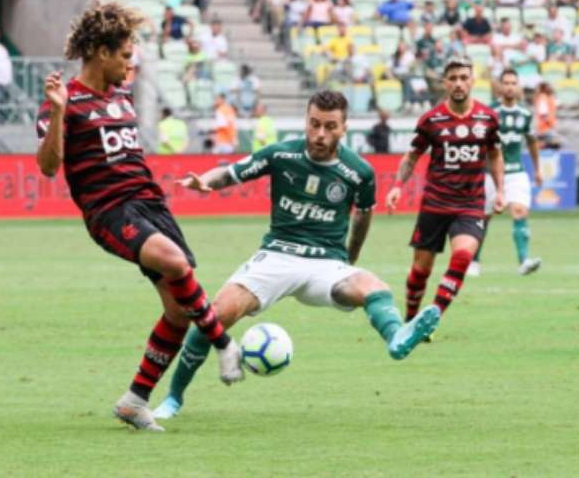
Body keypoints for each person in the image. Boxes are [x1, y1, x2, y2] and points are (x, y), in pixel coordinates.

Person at [153, 90, 439, 419]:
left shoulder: (359, 172)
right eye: (314, 124)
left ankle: (396, 335)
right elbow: (232, 172)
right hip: (277, 255)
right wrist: (204, 181)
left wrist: (350, 260)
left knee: (375, 288)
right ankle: (173, 398)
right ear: (306, 120)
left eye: (330, 126)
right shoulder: (281, 155)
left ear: (344, 128)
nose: (320, 134)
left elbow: (362, 217)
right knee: (213, 315)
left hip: (327, 263)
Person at [35, 1, 242, 432]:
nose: (131, 65)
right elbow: (50, 166)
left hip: (150, 204)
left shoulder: (122, 95)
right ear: (101, 52)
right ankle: (224, 343)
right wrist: (56, 111)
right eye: (125, 56)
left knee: (178, 312)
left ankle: (134, 400)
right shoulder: (65, 99)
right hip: (109, 210)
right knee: (175, 262)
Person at [385, 56, 504, 329]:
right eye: (453, 79)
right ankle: (411, 318)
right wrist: (396, 187)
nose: (459, 83)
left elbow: (496, 155)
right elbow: (412, 156)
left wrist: (500, 191)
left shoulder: (488, 118)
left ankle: (433, 315)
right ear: (445, 84)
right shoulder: (431, 120)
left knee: (463, 256)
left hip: (470, 204)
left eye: (464, 77)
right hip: (435, 203)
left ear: (473, 81)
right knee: (420, 270)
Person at [469, 69, 543, 277]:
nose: (510, 86)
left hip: (516, 172)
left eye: (513, 83)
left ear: (518, 87)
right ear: (500, 87)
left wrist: (537, 169)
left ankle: (523, 261)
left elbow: (532, 143)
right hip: (490, 174)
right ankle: (473, 261)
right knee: (484, 217)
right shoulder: (488, 113)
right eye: (506, 83)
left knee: (520, 211)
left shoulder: (525, 115)